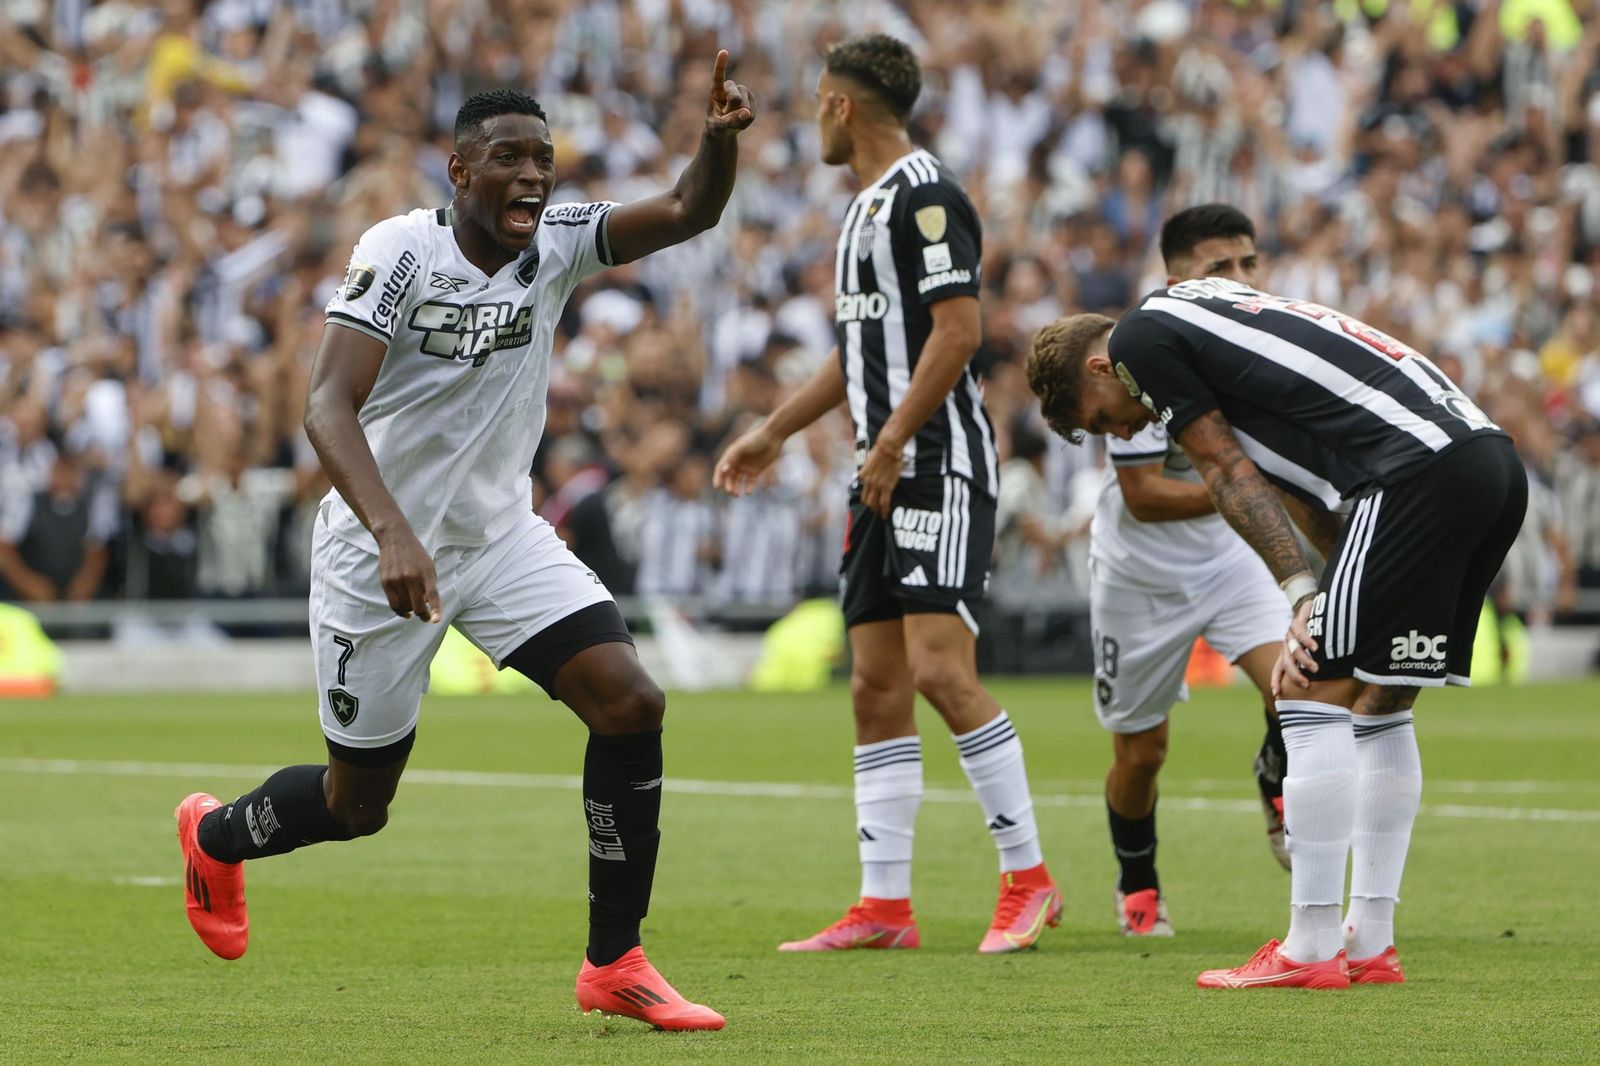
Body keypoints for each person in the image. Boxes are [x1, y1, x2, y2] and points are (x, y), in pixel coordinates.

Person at [174, 59, 758, 1032]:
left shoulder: (559, 242)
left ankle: (615, 961)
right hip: (376, 556)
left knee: (630, 701)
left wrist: (718, 140)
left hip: (498, 539)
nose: (532, 176)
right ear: (459, 171)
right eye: (508, 159)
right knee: (358, 805)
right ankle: (217, 837)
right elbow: (327, 405)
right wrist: (393, 532)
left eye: (543, 160)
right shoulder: (401, 250)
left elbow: (689, 209)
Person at [1025, 278, 1526, 988]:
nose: (1125, 434)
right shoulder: (1198, 314)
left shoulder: (1138, 340)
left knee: (1305, 691)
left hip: (1413, 474)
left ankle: (1310, 947)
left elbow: (1226, 471)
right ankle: (1370, 941)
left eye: (1105, 419)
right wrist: (1335, 584)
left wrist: (1302, 595)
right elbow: (1298, 490)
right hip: (1487, 462)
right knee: (1382, 700)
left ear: (1101, 367)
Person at [716, 34, 1061, 955]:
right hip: (879, 468)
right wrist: (774, 430)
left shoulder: (927, 195)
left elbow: (959, 332)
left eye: (817, 103)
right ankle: (884, 906)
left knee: (941, 671)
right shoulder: (863, 208)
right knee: (875, 686)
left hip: (935, 463)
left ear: (841, 105)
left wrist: (898, 438)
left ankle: (1028, 879)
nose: (814, 120)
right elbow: (861, 353)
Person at [1084, 205, 1292, 940]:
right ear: (1176, 282)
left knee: (1297, 686)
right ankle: (1138, 882)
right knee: (1142, 754)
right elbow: (1144, 496)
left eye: (1249, 263)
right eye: (1219, 267)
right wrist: (1245, 489)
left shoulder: (1271, 337)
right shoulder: (1144, 348)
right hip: (1140, 576)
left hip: (1230, 557)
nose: (1242, 279)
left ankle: (1276, 775)